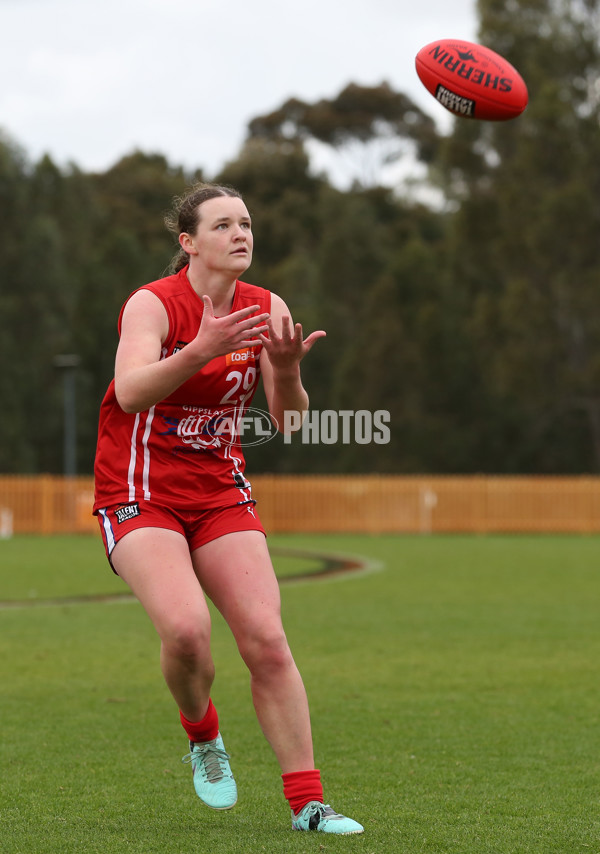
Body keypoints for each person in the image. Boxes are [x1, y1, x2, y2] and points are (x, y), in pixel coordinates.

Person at [93, 182, 364, 836]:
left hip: (219, 493)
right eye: (222, 225)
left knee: (267, 640)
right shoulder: (153, 305)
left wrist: (290, 371)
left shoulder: (267, 307)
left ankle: (309, 804)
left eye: (245, 223)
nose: (240, 234)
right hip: (139, 492)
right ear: (188, 242)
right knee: (187, 634)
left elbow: (288, 422)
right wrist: (198, 352)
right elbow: (129, 393)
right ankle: (203, 735)